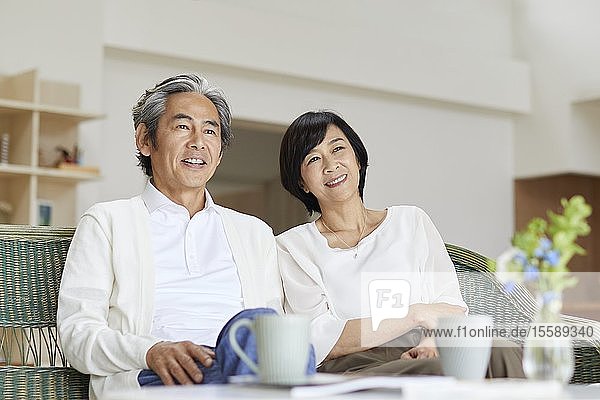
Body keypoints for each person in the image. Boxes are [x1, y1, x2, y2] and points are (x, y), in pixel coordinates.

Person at [57, 74, 312, 399]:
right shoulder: (107, 222)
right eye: (182, 126)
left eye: (210, 130)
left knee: (266, 330)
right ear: (145, 140)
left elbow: (269, 337)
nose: (198, 141)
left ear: (219, 152)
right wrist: (151, 351)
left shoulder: (254, 233)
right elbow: (77, 335)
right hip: (154, 379)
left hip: (241, 373)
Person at [277, 110, 524, 377]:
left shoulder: (411, 221)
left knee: (502, 350)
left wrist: (431, 341)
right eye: (314, 158)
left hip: (428, 348)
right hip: (355, 365)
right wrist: (414, 314)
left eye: (338, 149)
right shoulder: (293, 247)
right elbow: (319, 337)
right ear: (301, 182)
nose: (331, 165)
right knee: (441, 370)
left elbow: (449, 305)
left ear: (357, 159)